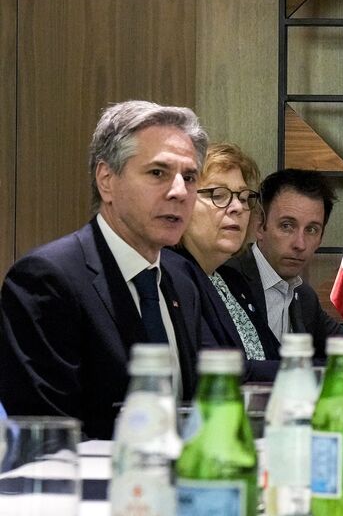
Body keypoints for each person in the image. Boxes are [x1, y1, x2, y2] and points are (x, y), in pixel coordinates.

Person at [0, 101, 210, 438]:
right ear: (106, 180)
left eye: (189, 177)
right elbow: (49, 434)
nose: (179, 192)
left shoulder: (182, 277)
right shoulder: (46, 279)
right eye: (158, 173)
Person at [221, 168, 343, 382]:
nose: (299, 244)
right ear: (259, 227)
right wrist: (341, 368)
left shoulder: (304, 296)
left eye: (311, 230)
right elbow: (240, 369)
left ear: (321, 237)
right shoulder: (225, 279)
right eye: (287, 226)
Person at [171, 143, 279, 381]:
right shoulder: (171, 275)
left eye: (243, 197)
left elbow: (276, 359)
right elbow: (221, 370)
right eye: (219, 195)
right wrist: (334, 370)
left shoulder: (232, 280)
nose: (238, 208)